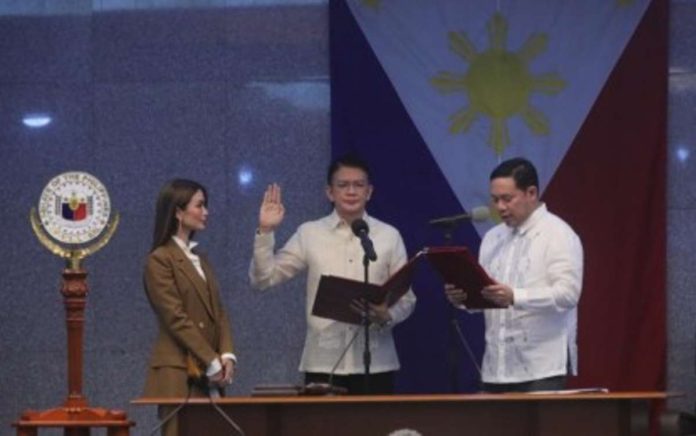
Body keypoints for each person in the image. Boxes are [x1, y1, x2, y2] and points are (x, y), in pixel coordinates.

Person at [249, 154, 416, 394]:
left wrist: (386, 314)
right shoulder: (310, 233)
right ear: (330, 192)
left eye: (358, 185)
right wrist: (265, 231)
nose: (351, 191)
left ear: (369, 192)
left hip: (377, 363)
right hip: (323, 361)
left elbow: (408, 298)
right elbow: (263, 279)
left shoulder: (389, 235)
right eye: (343, 185)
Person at [445, 157, 583, 393]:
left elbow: (568, 294)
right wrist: (464, 298)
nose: (499, 207)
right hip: (496, 367)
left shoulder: (558, 233)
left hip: (542, 368)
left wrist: (515, 297)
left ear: (531, 193)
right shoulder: (492, 238)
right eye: (495, 200)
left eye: (507, 199)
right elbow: (486, 295)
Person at [143, 179, 236, 436]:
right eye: (199, 205)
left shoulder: (200, 259)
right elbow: (176, 318)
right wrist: (211, 361)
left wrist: (227, 355)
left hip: (210, 370)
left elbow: (219, 312)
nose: (206, 212)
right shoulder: (160, 260)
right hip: (178, 372)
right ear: (178, 212)